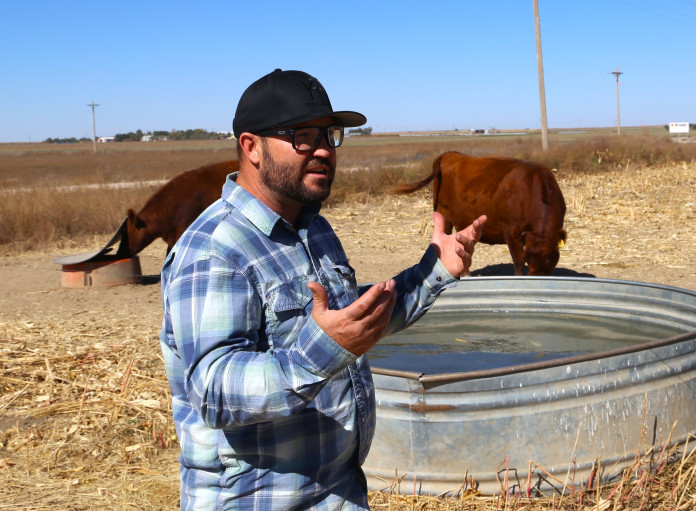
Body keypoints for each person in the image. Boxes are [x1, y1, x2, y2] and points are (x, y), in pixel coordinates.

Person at [159, 69, 487, 510]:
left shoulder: (312, 227)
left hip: (337, 492)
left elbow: (353, 320)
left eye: (329, 136)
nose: (322, 151)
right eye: (301, 136)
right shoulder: (215, 250)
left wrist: (433, 272)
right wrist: (324, 349)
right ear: (250, 147)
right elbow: (214, 391)